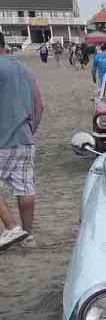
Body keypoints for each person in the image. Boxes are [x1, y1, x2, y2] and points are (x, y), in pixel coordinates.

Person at [0, 52, 44, 247]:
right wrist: (30, 130)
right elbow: (40, 106)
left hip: (2, 138)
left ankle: (11, 226)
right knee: (25, 187)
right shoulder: (25, 68)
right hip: (24, 138)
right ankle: (28, 236)